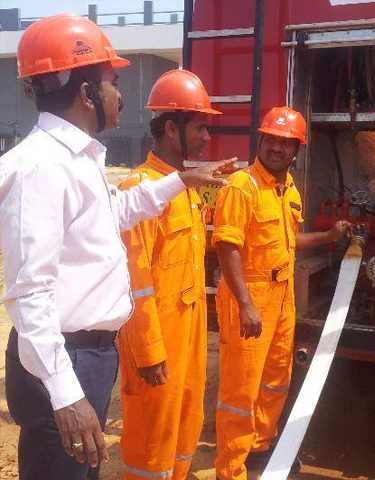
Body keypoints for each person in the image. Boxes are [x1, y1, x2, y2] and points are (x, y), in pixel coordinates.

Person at [0, 15, 234, 480]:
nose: (120, 96)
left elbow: (117, 211)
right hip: (63, 359)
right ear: (88, 93)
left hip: (89, 355)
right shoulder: (40, 168)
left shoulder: (77, 158)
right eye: (114, 82)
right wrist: (66, 395)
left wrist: (182, 180)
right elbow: (29, 293)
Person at [212, 106, 350, 480]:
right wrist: (245, 305)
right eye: (271, 139)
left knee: (275, 379)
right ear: (260, 140)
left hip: (282, 295)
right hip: (250, 295)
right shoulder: (242, 186)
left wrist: (328, 236)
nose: (276, 147)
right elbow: (227, 247)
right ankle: (230, 468)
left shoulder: (287, 189)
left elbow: (289, 242)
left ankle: (260, 447)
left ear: (297, 149)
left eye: (285, 142)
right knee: (241, 390)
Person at [118, 69, 226, 480]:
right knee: (152, 437)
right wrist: (148, 352)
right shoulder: (141, 191)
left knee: (185, 425)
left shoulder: (186, 188)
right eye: (200, 127)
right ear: (170, 128)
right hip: (158, 339)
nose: (207, 137)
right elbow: (135, 281)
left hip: (190, 333)